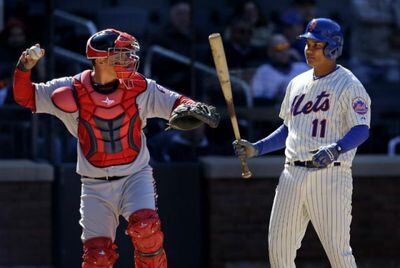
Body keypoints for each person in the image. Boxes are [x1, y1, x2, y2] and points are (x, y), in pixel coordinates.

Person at [13, 28, 219, 268]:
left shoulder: (140, 86)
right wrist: (23, 68)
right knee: (97, 257)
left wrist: (193, 106)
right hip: (94, 183)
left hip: (135, 176)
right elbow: (25, 96)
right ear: (100, 58)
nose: (129, 59)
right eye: (120, 54)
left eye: (129, 53)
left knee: (146, 229)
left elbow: (177, 101)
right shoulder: (69, 89)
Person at [233, 18, 371, 267]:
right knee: (279, 251)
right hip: (291, 173)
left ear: (332, 47)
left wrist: (336, 148)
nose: (309, 49)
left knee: (338, 253)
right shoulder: (297, 82)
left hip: (329, 175)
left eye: (317, 44)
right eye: (308, 43)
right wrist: (258, 147)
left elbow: (361, 129)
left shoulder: (349, 84)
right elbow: (289, 128)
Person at [251, 33, 309, 105]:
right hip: (273, 113)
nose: (284, 52)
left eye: (286, 47)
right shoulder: (263, 71)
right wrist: (277, 99)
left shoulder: (302, 68)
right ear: (270, 52)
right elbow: (256, 99)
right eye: (279, 48)